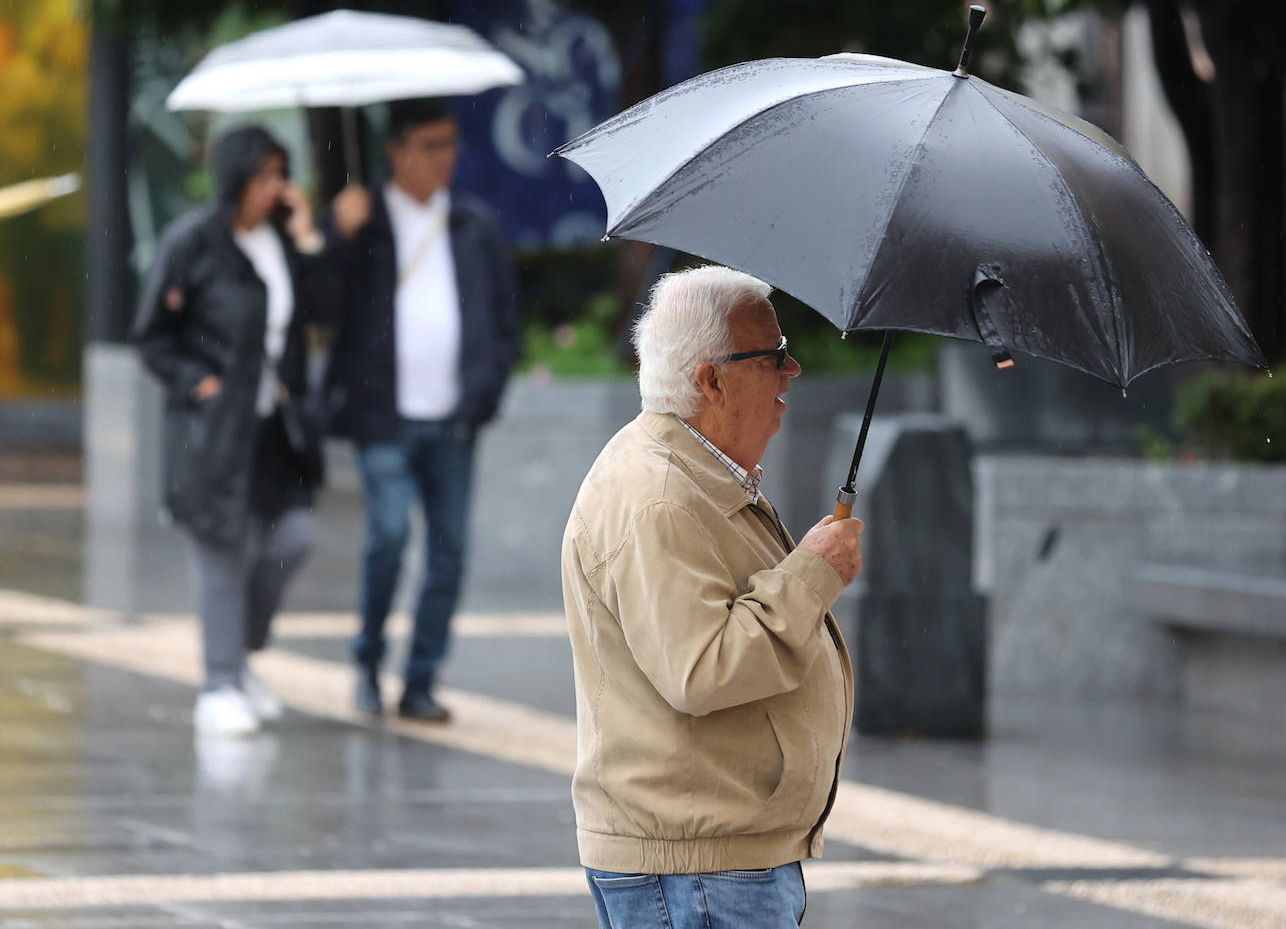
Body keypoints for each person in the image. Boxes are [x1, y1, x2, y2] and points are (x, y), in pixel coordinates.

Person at [561, 265, 865, 928]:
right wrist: (812, 574)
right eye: (772, 356)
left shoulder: (697, 476)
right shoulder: (660, 495)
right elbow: (701, 669)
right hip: (695, 869)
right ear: (710, 379)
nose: (794, 371)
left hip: (716, 858)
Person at [325, 97, 520, 722]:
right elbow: (324, 306)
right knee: (387, 535)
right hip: (384, 415)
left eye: (450, 145)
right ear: (397, 151)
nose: (446, 158)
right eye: (431, 146)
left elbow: (503, 317)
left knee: (450, 551)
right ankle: (367, 659)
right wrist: (339, 238)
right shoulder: (366, 220)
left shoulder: (472, 222)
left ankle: (421, 678)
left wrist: (485, 389)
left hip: (454, 419)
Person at [133, 125, 329, 737]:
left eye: (282, 174)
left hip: (275, 428)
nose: (276, 187)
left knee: (294, 536)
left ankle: (237, 659)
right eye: (266, 174)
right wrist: (201, 383)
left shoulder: (281, 241)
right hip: (212, 430)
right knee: (219, 553)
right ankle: (220, 684)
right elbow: (151, 337)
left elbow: (323, 314)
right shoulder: (192, 242)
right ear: (238, 176)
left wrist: (308, 240)